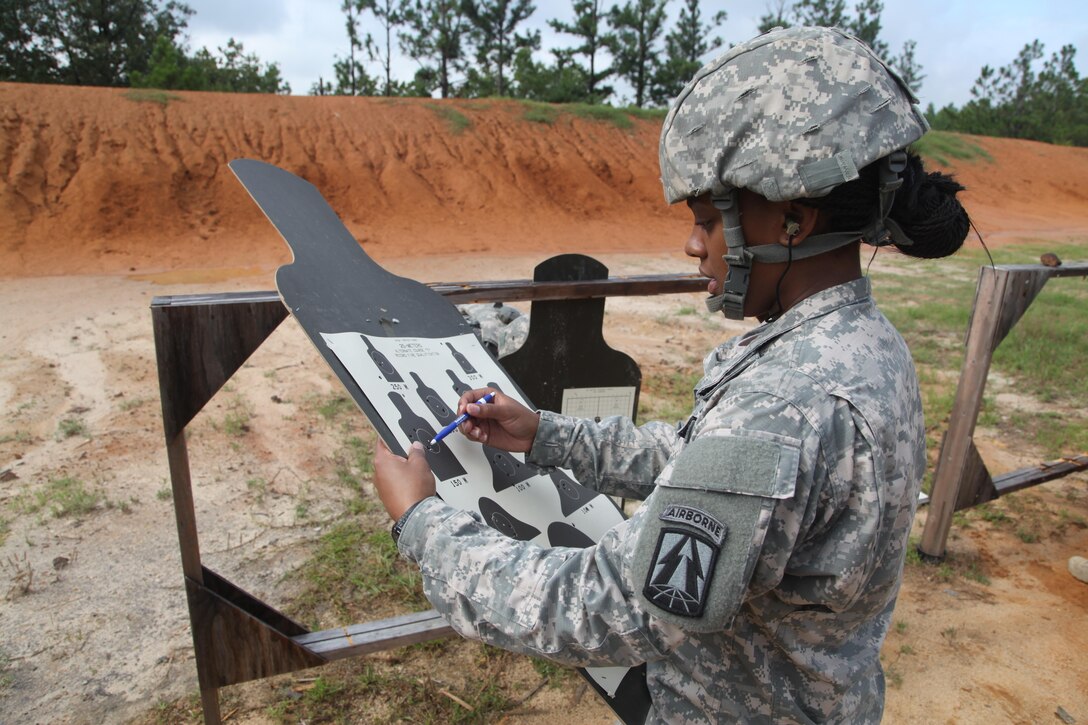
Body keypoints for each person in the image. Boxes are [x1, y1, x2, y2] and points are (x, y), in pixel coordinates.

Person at [372, 26, 970, 723]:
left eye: (707, 219)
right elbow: (703, 466)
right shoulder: (861, 344)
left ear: (793, 219)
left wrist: (421, 522)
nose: (692, 245)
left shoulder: (784, 404)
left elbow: (603, 608)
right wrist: (546, 434)